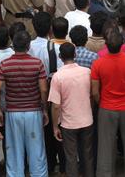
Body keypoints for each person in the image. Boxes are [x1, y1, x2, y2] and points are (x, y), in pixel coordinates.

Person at [91, 29, 125, 177]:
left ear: (106, 45)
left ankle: (104, 173)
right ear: (122, 44)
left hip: (106, 108)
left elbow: (95, 91)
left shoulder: (98, 63)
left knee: (105, 146)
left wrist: (101, 103)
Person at [0, 31, 49, 177]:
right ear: (29, 45)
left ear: (13, 44)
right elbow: (43, 89)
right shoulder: (37, 63)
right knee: (37, 151)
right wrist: (44, 110)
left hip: (12, 113)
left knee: (14, 152)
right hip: (34, 111)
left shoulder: (4, 64)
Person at [49, 43, 94, 177]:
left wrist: (55, 127)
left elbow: (56, 106)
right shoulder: (87, 72)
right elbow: (91, 95)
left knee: (71, 157)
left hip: (68, 124)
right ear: (75, 55)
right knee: (88, 156)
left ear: (60, 57)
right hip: (87, 120)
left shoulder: (57, 77)